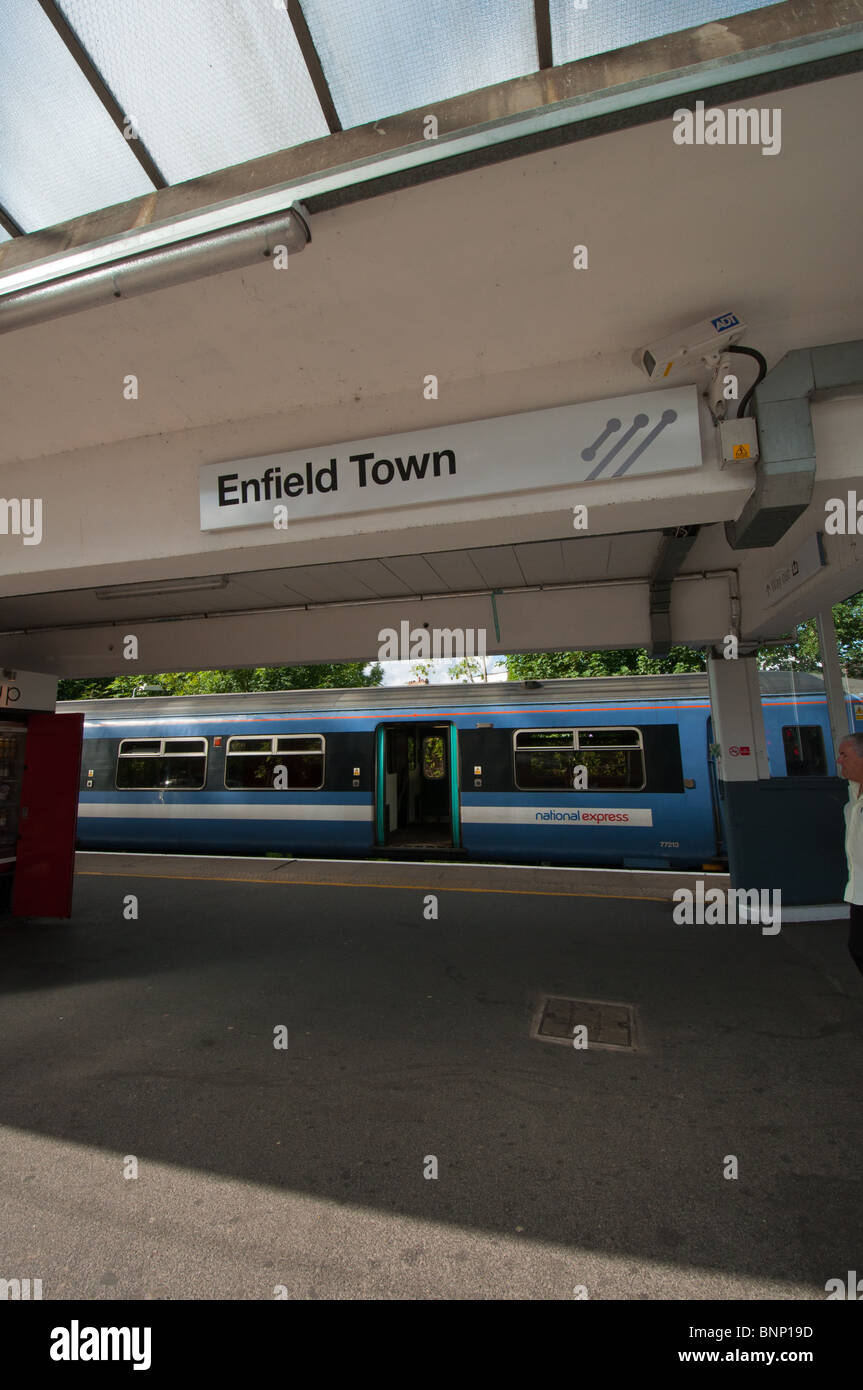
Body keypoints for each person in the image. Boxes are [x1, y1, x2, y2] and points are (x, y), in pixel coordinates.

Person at [836, 733, 863, 976]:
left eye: (845, 755)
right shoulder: (853, 793)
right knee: (857, 948)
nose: (839, 760)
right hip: (858, 892)